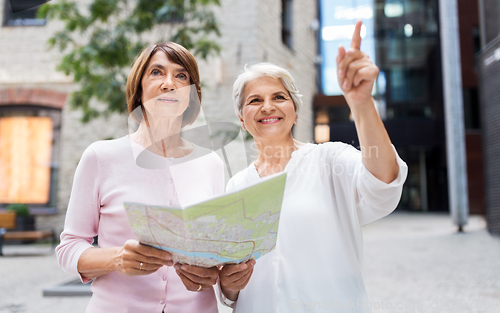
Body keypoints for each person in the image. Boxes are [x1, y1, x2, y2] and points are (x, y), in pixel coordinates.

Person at [218, 21, 408, 312]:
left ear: (294, 112)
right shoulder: (236, 186)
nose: (267, 106)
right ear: (242, 120)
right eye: (255, 100)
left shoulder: (330, 160)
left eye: (279, 97)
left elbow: (384, 180)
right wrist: (229, 284)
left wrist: (361, 103)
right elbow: (231, 290)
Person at [56, 42, 223, 312]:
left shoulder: (211, 163)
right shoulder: (101, 157)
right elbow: (69, 248)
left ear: (191, 95)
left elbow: (216, 251)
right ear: (139, 87)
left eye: (181, 76)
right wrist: (117, 259)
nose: (169, 83)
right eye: (157, 72)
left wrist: (213, 273)